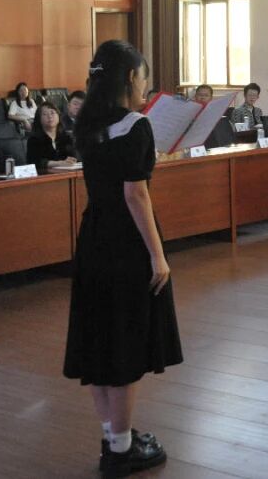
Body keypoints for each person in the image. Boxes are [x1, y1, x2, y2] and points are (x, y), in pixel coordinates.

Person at [63, 39, 180, 478]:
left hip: (94, 237)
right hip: (127, 243)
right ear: (131, 77)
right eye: (144, 77)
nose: (146, 86)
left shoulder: (88, 123)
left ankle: (114, 438)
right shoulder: (135, 125)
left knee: (100, 340)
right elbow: (136, 195)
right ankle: (122, 450)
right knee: (126, 344)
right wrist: (158, 256)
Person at [28, 101, 77, 172]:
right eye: (45, 114)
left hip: (67, 173)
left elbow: (74, 156)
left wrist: (71, 160)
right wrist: (59, 163)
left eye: (52, 113)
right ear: (39, 119)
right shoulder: (34, 139)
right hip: (44, 175)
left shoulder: (66, 137)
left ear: (58, 116)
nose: (50, 116)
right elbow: (34, 162)